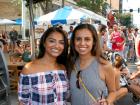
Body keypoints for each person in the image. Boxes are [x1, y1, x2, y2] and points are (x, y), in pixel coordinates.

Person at [18, 27, 69, 105]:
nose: (57, 45)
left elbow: (66, 98)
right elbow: (23, 102)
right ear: (44, 43)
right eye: (52, 41)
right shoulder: (29, 69)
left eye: (61, 42)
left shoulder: (62, 68)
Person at [68, 24, 116, 105]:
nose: (82, 43)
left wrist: (107, 102)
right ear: (73, 41)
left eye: (87, 39)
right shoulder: (69, 63)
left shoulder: (105, 65)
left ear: (93, 42)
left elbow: (113, 92)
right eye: (78, 39)